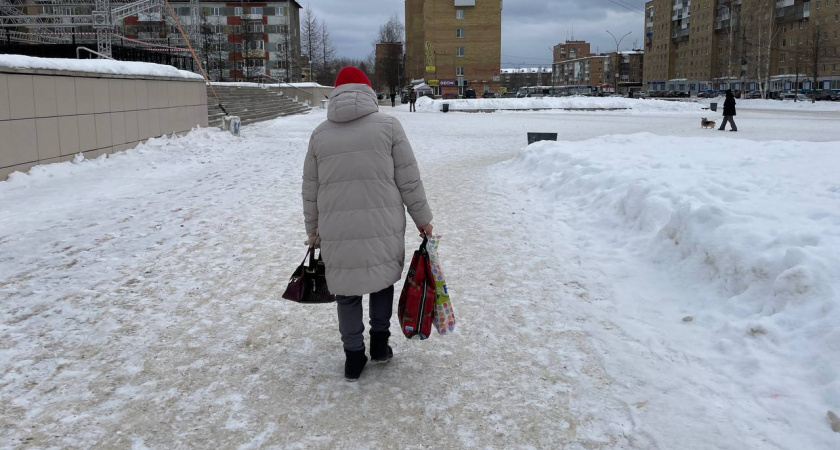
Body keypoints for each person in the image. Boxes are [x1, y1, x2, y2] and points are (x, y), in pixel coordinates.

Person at [302, 66, 434, 382]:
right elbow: (409, 179)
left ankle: (353, 356)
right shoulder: (389, 126)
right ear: (368, 92)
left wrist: (313, 230)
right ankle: (379, 344)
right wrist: (423, 220)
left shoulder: (320, 133)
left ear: (335, 94)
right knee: (380, 282)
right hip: (382, 224)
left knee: (346, 293)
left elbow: (310, 187)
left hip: (337, 230)